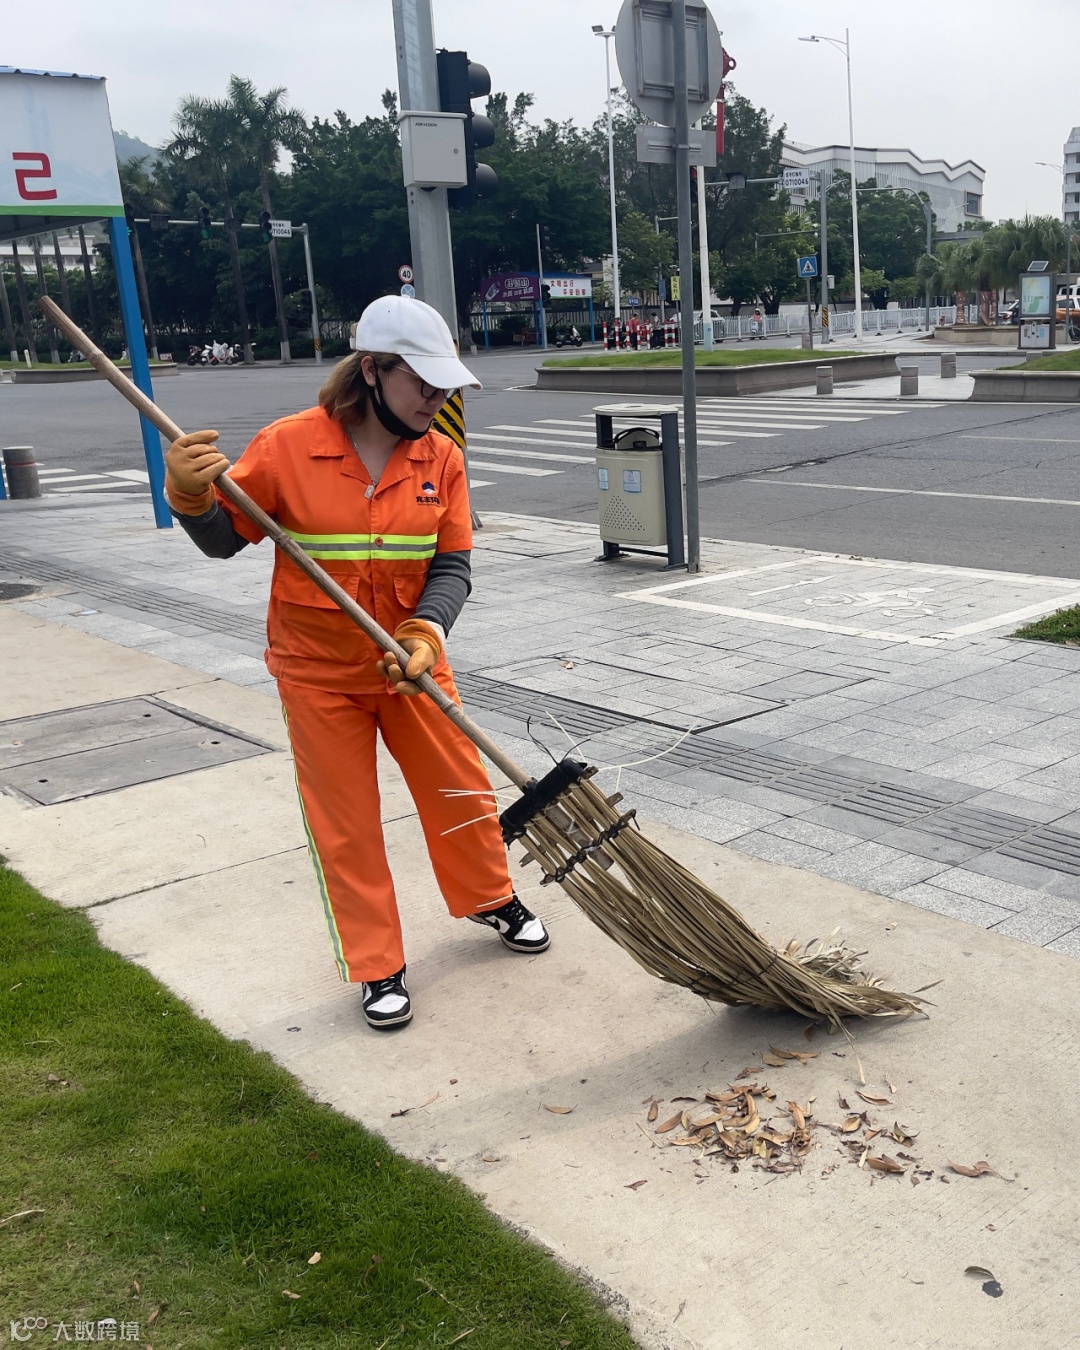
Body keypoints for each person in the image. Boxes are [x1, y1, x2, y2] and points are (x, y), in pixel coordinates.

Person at [163, 296, 550, 1031]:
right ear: (372, 370)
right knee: (345, 823)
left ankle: (490, 898)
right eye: (422, 383)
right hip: (317, 675)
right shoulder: (287, 447)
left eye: (444, 387)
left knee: (461, 791)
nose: (435, 400)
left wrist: (427, 635)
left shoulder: (442, 457)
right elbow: (223, 539)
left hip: (412, 664)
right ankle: (377, 964)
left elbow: (453, 565)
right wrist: (188, 494)